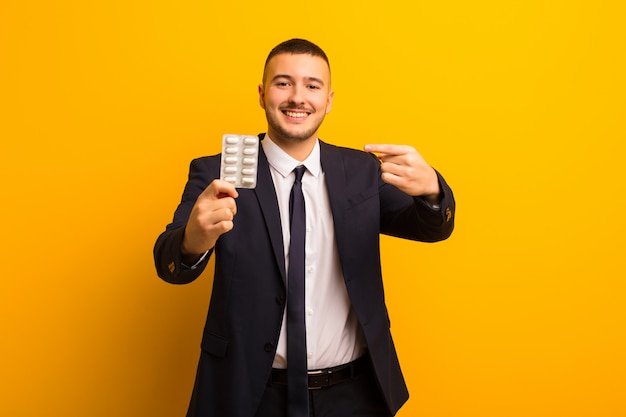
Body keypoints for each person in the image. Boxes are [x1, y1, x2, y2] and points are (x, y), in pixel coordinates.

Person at [154, 38, 455, 417]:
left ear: (328, 100)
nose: (298, 97)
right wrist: (192, 243)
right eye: (283, 83)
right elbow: (168, 263)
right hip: (250, 396)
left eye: (312, 86)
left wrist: (431, 191)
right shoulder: (216, 174)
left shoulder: (362, 173)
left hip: (353, 396)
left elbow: (431, 228)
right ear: (262, 95)